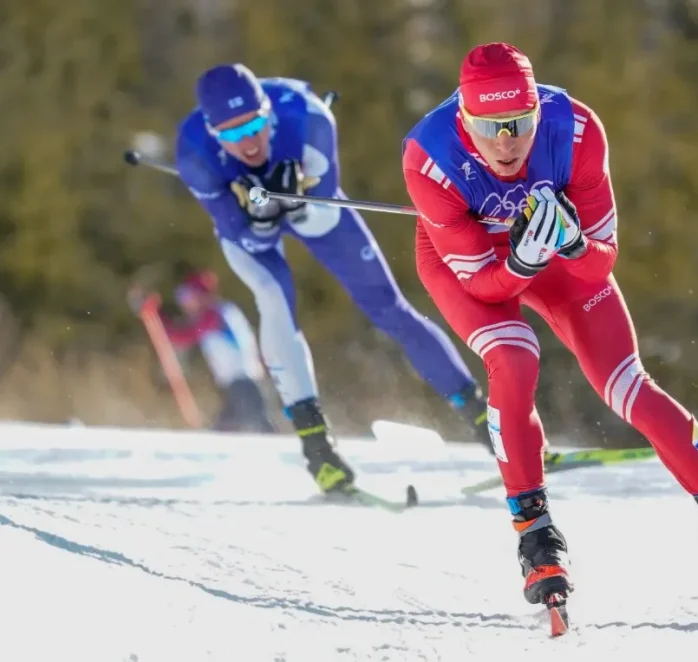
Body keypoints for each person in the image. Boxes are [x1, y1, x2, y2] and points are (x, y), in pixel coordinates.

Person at [402, 42, 698, 613]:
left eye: (519, 123)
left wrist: (570, 243)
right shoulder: (430, 156)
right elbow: (482, 287)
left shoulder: (576, 130)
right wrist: (520, 261)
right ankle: (536, 533)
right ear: (465, 118)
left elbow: (602, 260)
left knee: (628, 386)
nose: (506, 141)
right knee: (515, 358)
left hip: (559, 255)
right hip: (478, 267)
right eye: (490, 126)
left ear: (537, 112)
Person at [175, 64, 491, 496]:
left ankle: (483, 418)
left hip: (318, 210)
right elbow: (242, 234)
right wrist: (260, 216)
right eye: (231, 135)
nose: (248, 142)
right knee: (272, 298)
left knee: (388, 306)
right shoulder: (193, 151)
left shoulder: (309, 118)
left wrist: (293, 201)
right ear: (214, 134)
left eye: (253, 124)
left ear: (268, 112)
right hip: (252, 233)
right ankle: (317, 450)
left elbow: (321, 214)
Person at [130, 270, 276, 433]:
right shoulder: (221, 312)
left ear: (202, 296)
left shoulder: (212, 316)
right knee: (226, 430)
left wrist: (155, 315)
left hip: (244, 383)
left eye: (187, 297)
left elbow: (183, 336)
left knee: (259, 428)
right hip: (238, 384)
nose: (185, 303)